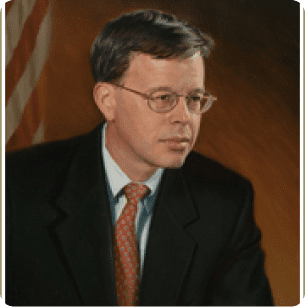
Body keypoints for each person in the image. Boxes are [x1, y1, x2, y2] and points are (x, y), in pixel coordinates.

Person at [5, 9, 274, 307]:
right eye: (163, 98)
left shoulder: (226, 202)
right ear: (107, 101)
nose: (185, 118)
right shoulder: (16, 190)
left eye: (194, 99)